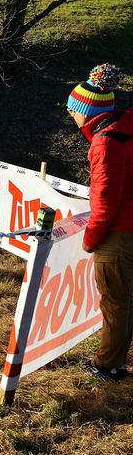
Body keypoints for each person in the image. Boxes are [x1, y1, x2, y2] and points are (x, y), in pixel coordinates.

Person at [67, 63, 133, 381]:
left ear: (87, 111)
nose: (70, 114)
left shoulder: (105, 143)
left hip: (119, 234)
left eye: (72, 109)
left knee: (115, 301)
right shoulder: (124, 131)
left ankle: (109, 366)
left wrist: (91, 238)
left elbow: (106, 200)